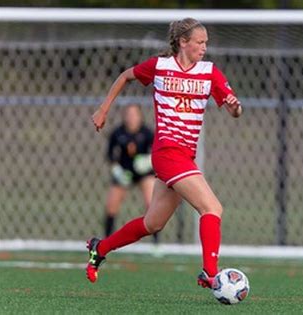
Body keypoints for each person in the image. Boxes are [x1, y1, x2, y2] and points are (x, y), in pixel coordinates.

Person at [86, 17, 242, 289]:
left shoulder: (209, 72)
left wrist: (234, 106)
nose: (204, 48)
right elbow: (126, 76)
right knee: (212, 208)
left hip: (184, 156)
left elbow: (234, 110)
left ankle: (100, 248)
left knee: (152, 223)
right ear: (183, 42)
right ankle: (210, 272)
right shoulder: (160, 67)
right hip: (168, 152)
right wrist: (104, 108)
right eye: (199, 42)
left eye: (206, 43)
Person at [104, 104, 159, 243]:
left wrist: (147, 161)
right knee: (112, 204)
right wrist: (117, 170)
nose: (132, 118)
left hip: (143, 173)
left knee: (152, 201)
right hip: (124, 172)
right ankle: (106, 241)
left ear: (140, 117)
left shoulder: (147, 133)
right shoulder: (117, 133)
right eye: (129, 115)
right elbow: (110, 155)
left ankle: (156, 242)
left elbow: (157, 153)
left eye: (135, 115)